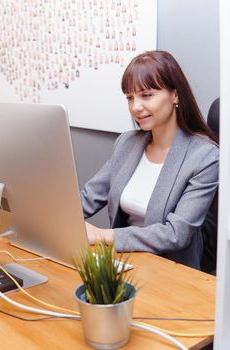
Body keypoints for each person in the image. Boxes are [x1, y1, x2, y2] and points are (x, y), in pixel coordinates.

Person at [81, 50, 219, 269]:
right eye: (130, 97)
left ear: (175, 95)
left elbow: (176, 234)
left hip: (170, 272)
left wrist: (103, 236)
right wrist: (56, 219)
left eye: (146, 95)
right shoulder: (127, 143)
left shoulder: (204, 156)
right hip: (125, 263)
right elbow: (88, 197)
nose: (135, 107)